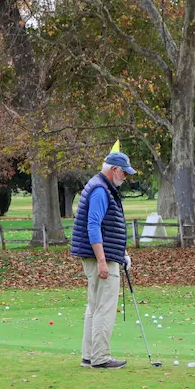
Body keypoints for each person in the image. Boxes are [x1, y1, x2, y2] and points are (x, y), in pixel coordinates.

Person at [70, 152, 136, 369]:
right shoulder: (100, 190)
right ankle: (100, 358)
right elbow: (93, 226)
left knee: (95, 306)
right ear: (114, 169)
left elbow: (108, 227)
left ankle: (89, 356)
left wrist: (120, 252)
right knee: (104, 307)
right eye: (124, 172)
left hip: (104, 255)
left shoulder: (101, 187)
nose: (125, 177)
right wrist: (102, 261)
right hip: (101, 258)